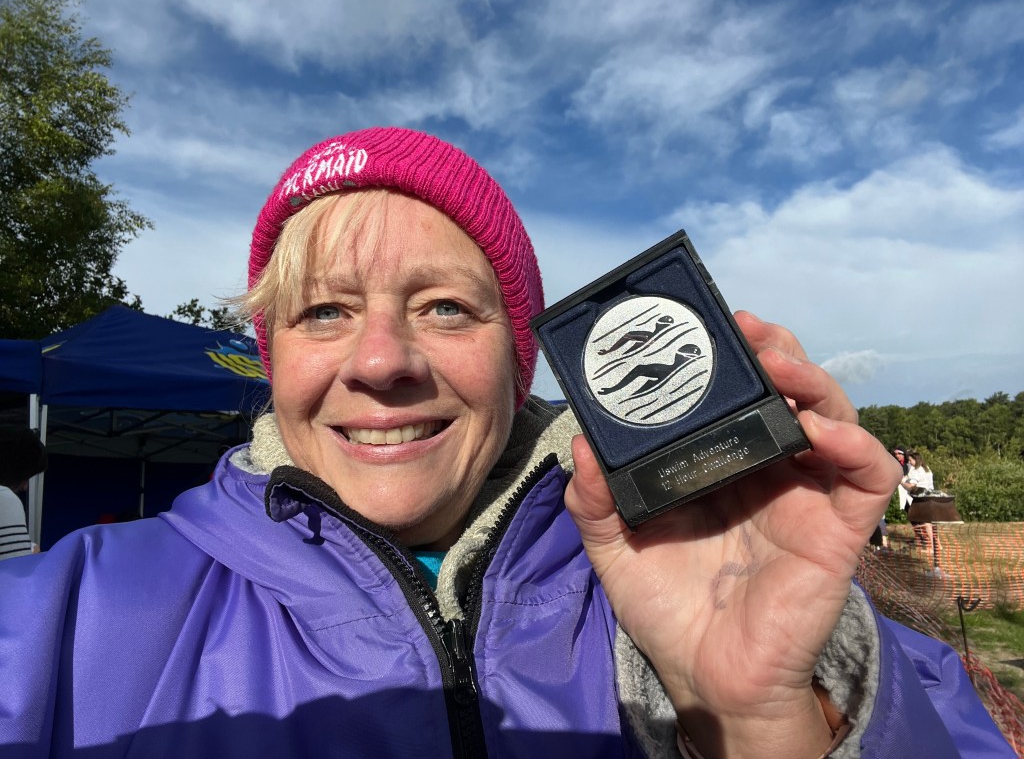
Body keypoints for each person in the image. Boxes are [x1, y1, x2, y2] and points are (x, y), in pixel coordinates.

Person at [0, 127, 1013, 758]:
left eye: (445, 307)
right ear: (274, 358)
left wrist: (767, 720)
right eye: (324, 312)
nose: (382, 361)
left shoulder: (698, 572)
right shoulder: (65, 620)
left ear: (521, 359)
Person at [0, 427, 47, 560]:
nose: (25, 487)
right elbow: (15, 567)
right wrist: (32, 555)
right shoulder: (4, 497)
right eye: (27, 476)